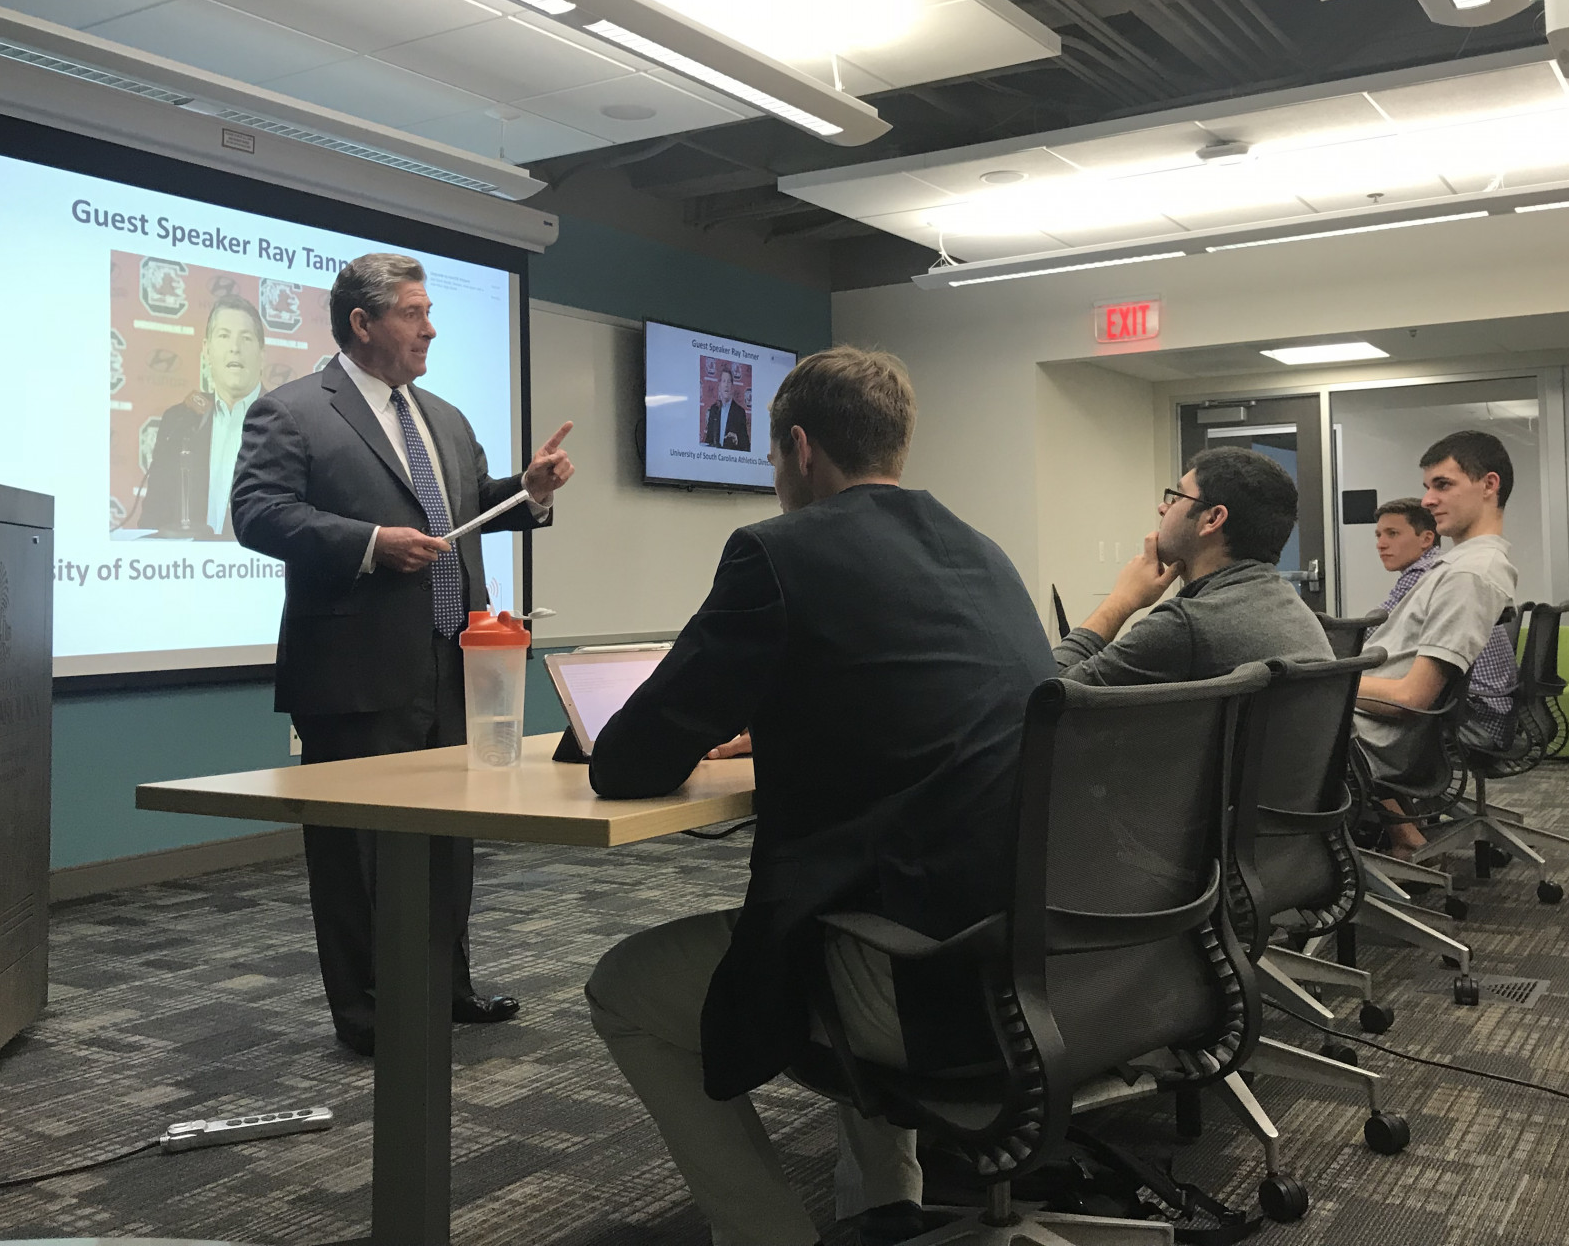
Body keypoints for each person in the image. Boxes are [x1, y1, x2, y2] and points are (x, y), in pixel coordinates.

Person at [585, 346, 1052, 1246]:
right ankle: (886, 1197)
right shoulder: (981, 553)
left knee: (624, 990)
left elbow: (630, 762)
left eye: (769, 458)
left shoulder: (777, 551)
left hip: (925, 983)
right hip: (1043, 952)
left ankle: (766, 1235)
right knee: (876, 881)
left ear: (800, 448)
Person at [230, 252, 577, 1057]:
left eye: (429, 312)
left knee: (449, 837)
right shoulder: (290, 412)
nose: (430, 328)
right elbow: (255, 514)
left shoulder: (445, 418)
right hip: (354, 674)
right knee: (356, 855)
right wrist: (368, 544)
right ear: (362, 323)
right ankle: (368, 1016)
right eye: (414, 313)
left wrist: (528, 488)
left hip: (456, 666)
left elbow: (467, 509)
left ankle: (443, 987)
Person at [1353, 433, 1520, 842]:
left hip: (1376, 738)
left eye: (1442, 485)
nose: (1427, 500)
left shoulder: (1469, 574)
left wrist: (1326, 681)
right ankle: (1401, 838)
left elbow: (1413, 699)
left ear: (1489, 485)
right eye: (1427, 487)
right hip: (1369, 723)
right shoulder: (1455, 564)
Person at [1054, 445, 1330, 685]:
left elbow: (1045, 697)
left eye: (1176, 497)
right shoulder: (1290, 605)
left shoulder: (1186, 625)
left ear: (1212, 519)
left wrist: (1120, 601)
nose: (1162, 508)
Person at [1371, 497, 1518, 736]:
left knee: (1329, 718)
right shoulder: (1440, 568)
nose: (1381, 544)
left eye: (1392, 534)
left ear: (1427, 539)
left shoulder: (1425, 574)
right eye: (1378, 535)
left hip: (1470, 717)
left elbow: (1372, 635)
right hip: (1485, 709)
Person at [138, 294, 266, 539]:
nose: (234, 348)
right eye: (224, 335)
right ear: (206, 350)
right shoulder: (179, 420)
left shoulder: (286, 420)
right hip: (185, 572)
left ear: (262, 354)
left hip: (257, 571)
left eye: (246, 338)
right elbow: (152, 516)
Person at [703, 363, 751, 452]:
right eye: (724, 381)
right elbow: (709, 439)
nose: (726, 385)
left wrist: (737, 439)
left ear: (732, 386)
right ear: (719, 386)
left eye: (729, 382)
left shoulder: (739, 412)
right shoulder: (714, 410)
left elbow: (746, 445)